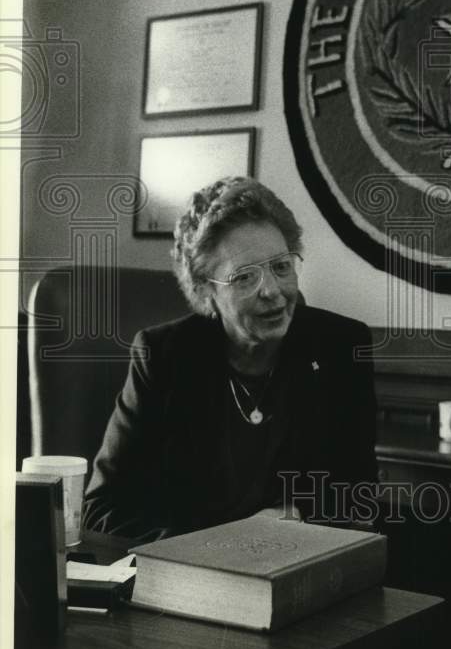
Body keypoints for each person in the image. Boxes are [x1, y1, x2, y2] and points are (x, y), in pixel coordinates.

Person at [82, 177, 377, 540]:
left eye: (281, 267)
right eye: (244, 277)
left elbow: (359, 498)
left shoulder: (339, 347)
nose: (272, 291)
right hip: (192, 581)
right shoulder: (163, 357)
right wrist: (229, 541)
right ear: (206, 290)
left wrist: (297, 516)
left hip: (299, 571)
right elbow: (101, 510)